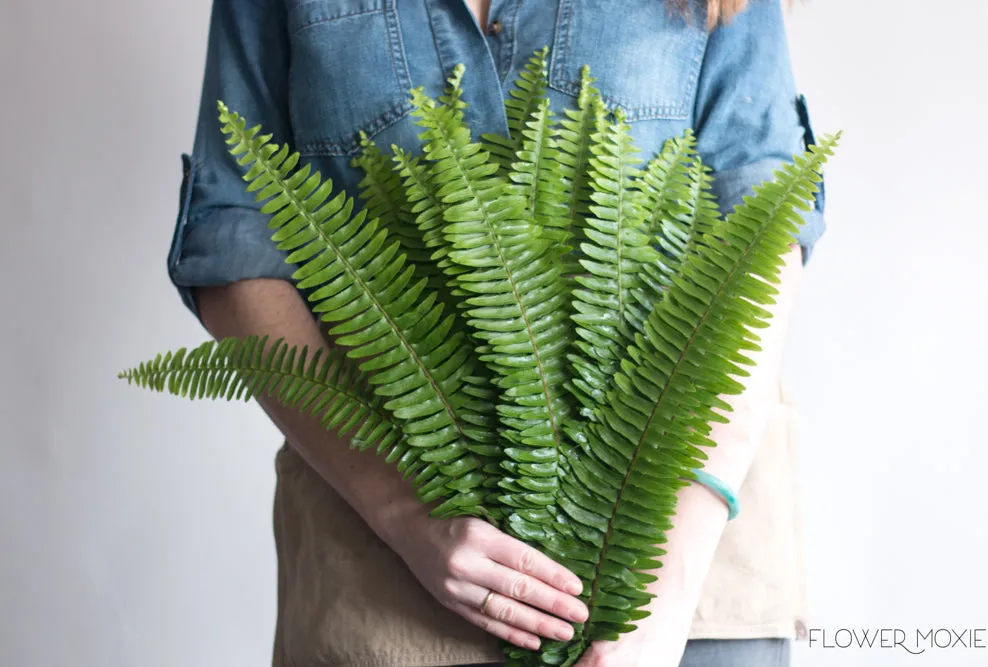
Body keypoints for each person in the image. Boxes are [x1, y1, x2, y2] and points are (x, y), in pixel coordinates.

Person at [166, 0, 825, 665]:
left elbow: (766, 214)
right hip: (384, 570)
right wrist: (403, 512)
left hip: (683, 565)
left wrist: (669, 587)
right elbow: (233, 236)